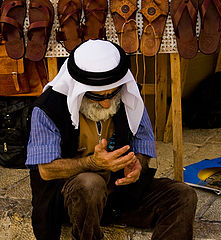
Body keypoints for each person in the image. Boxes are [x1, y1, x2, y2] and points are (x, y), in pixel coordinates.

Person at [26, 39, 198, 240]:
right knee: (90, 184)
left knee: (183, 195)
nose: (107, 103)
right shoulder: (48, 109)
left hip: (120, 194)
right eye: (96, 97)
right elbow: (46, 170)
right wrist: (91, 163)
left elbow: (142, 144)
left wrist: (137, 166)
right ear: (78, 91)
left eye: (112, 93)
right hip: (72, 202)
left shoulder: (126, 97)